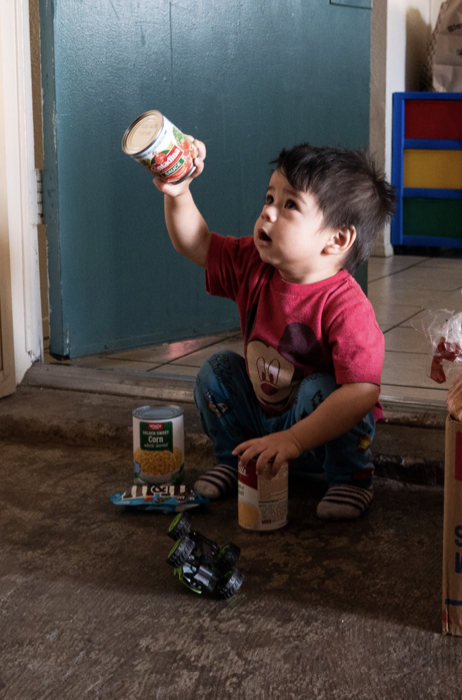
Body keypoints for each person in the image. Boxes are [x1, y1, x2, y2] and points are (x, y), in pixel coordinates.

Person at [155, 140, 394, 521]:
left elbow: (363, 391)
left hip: (319, 436)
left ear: (337, 239)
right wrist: (178, 192)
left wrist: (294, 439)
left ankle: (350, 477)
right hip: (264, 421)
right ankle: (238, 458)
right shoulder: (254, 264)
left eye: (290, 205)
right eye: (270, 198)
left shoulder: (347, 306)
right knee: (216, 370)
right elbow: (196, 243)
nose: (268, 210)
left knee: (324, 389)